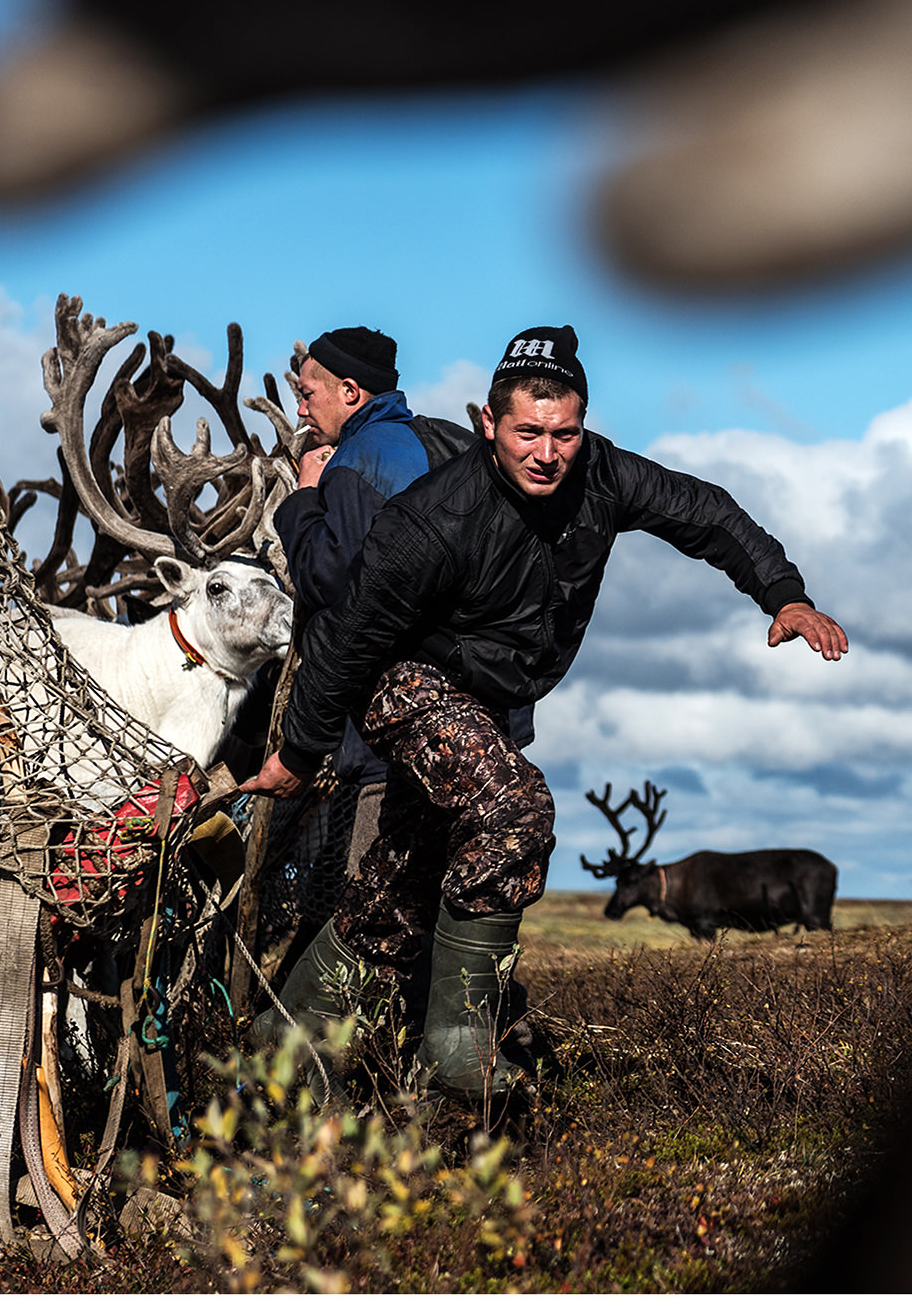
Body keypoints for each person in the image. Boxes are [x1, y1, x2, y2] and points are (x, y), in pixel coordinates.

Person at [238, 326, 848, 1099]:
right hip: (404, 678)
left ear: (582, 427)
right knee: (513, 807)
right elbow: (350, 639)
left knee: (399, 886)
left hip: (488, 701)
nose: (546, 453)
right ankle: (461, 1042)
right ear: (489, 424)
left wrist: (783, 594)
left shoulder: (603, 476)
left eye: (564, 433)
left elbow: (708, 514)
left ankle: (280, 1048)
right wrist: (297, 752)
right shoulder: (431, 519)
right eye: (527, 432)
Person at [271, 327, 438, 875]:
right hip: (464, 733)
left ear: (349, 391)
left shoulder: (358, 459)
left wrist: (302, 501)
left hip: (391, 744)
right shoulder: (437, 443)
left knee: (372, 916)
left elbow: (329, 581)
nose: (299, 410)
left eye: (306, 393)